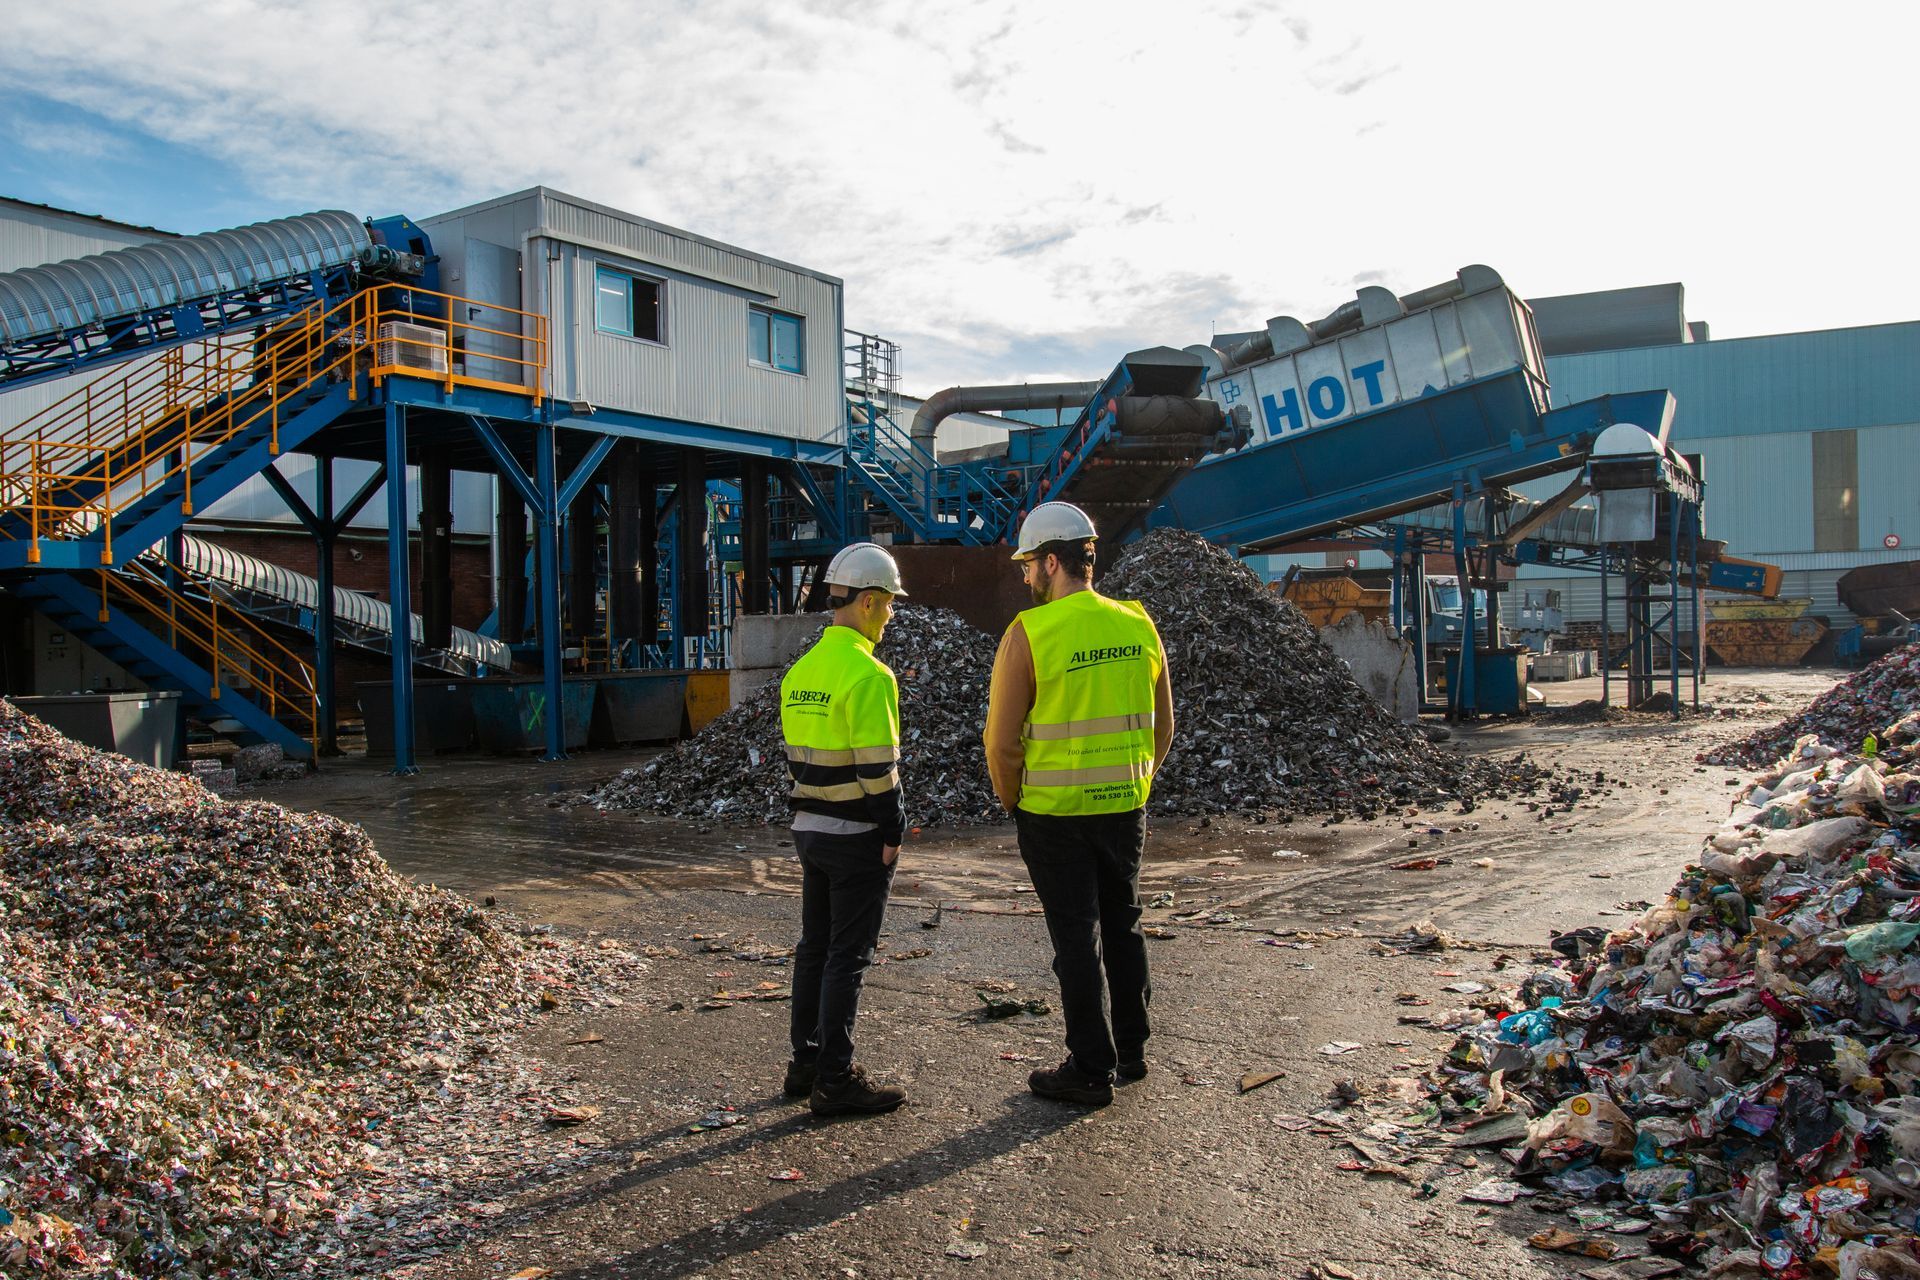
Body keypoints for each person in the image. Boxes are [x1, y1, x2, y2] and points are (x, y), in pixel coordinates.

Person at [983, 502, 1175, 1107]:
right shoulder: (1138, 624)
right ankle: (1132, 1052)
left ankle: (1091, 1068)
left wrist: (1013, 799)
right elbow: (1161, 726)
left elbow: (1001, 738)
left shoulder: (1030, 634)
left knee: (1076, 937)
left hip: (1053, 814)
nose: (1023, 578)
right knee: (1125, 924)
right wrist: (1133, 781)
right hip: (1125, 807)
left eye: (1028, 565)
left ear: (1052, 561)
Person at [779, 542, 911, 1117]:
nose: (891, 617)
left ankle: (804, 1064)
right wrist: (894, 831)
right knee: (846, 956)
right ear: (867, 602)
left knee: (814, 947)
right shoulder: (870, 675)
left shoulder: (799, 673)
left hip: (809, 827)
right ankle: (835, 1080)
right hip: (857, 835)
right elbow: (877, 770)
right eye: (888, 605)